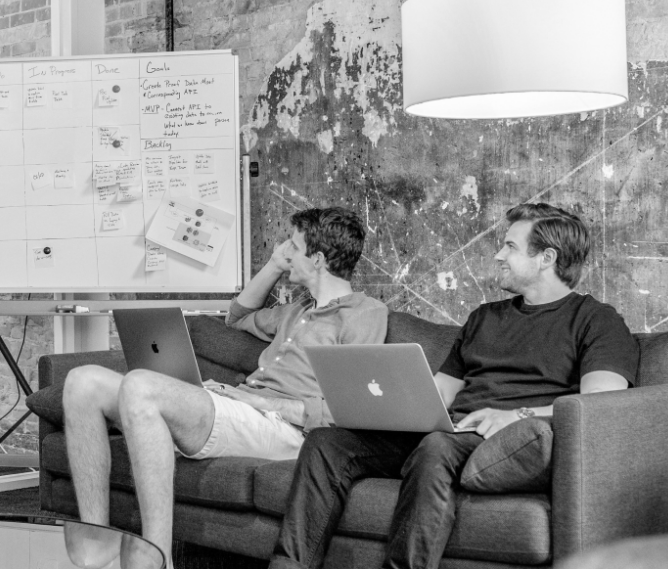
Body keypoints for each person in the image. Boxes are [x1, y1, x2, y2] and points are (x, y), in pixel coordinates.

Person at [269, 203, 641, 569]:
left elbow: (600, 402)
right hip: (453, 430)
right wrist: (390, 406)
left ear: (546, 257)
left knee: (436, 446)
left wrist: (516, 415)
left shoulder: (596, 320)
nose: (498, 254)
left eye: (510, 246)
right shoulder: (484, 317)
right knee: (327, 441)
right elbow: (439, 392)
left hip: (509, 439)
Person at [62, 207, 388, 565]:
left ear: (319, 259)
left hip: (284, 429)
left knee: (140, 387)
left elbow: (355, 407)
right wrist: (276, 265)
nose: (284, 251)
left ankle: (156, 558)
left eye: (293, 246)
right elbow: (236, 318)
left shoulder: (364, 314)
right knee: (83, 382)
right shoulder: (295, 310)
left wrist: (269, 405)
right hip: (242, 408)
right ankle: (96, 538)